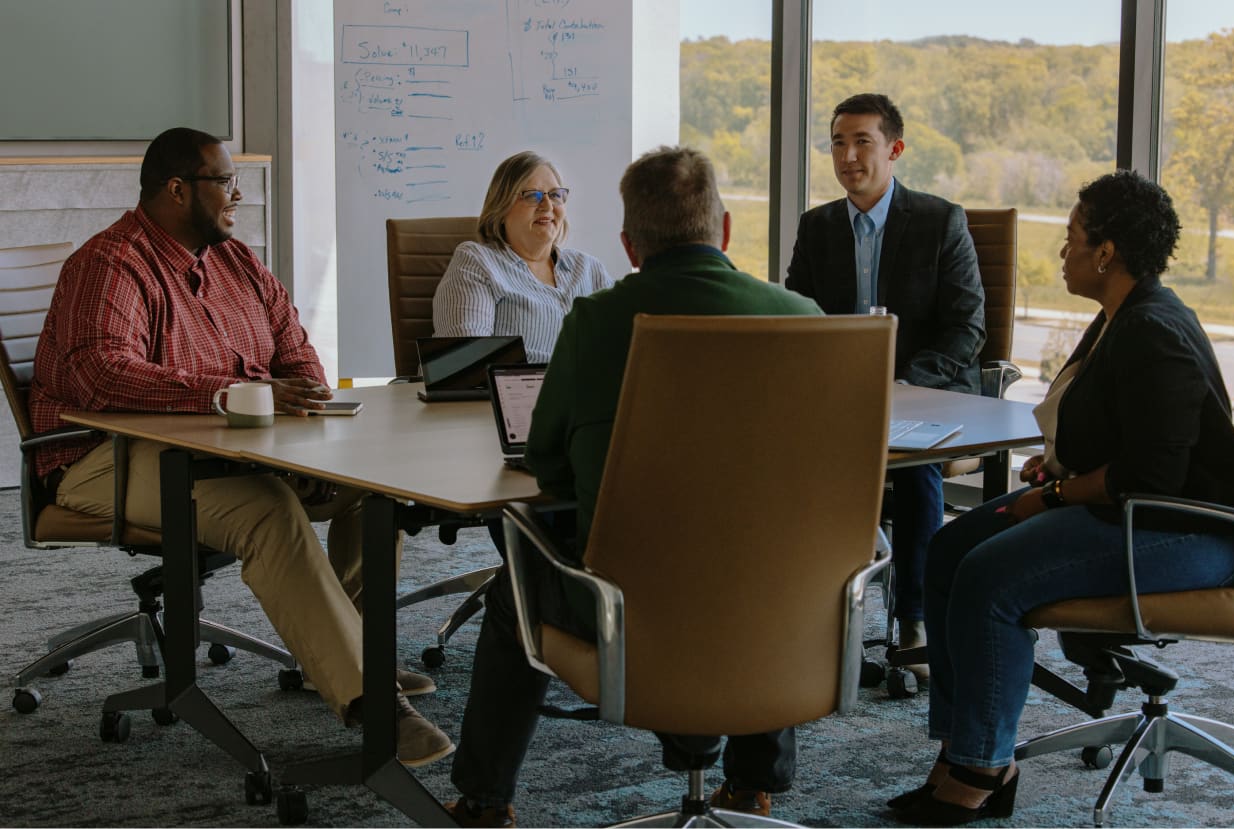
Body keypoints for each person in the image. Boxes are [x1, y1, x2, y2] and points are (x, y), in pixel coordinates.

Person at [28, 127, 453, 767]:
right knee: (266, 511)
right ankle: (372, 704)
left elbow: (297, 356)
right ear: (177, 190)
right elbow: (101, 374)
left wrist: (309, 434)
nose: (239, 193)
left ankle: (342, 656)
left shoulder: (237, 261)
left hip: (225, 446)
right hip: (99, 458)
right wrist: (231, 394)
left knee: (373, 485)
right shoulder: (110, 263)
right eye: (225, 181)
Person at [443, 146, 823, 828]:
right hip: (781, 604)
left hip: (628, 606)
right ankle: (751, 782)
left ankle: (485, 800)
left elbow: (552, 470)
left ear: (629, 245)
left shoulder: (594, 322)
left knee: (518, 587)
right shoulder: (805, 318)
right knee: (766, 541)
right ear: (727, 230)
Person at [891, 170, 1234, 826]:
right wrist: (1061, 467)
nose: (1061, 252)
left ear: (1106, 252)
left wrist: (1059, 493)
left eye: (1071, 240)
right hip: (1138, 509)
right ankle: (963, 746)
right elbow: (1126, 434)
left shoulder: (1154, 332)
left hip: (1194, 533)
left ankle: (982, 765)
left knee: (988, 578)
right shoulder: (1122, 315)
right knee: (951, 547)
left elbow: (1151, 473)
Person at [785, 92, 986, 681]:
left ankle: (914, 619)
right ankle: (810, 616)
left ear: (894, 149)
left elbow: (967, 327)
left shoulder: (940, 220)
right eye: (837, 144)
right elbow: (801, 319)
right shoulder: (817, 226)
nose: (848, 156)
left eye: (862, 142)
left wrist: (903, 383)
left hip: (926, 394)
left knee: (913, 464)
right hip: (841, 397)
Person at [432, 150, 615, 362]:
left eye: (555, 195)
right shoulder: (478, 262)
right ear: (501, 208)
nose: (547, 206)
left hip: (584, 392)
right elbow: (464, 365)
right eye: (532, 195)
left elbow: (626, 343)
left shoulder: (589, 269)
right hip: (512, 393)